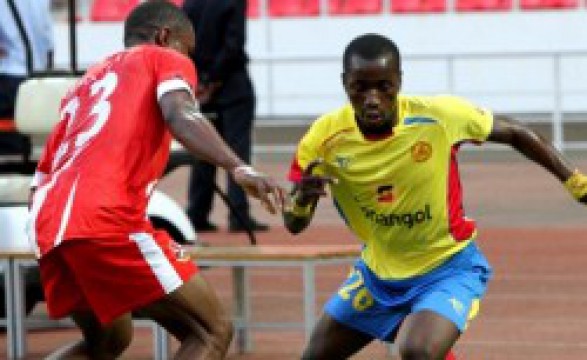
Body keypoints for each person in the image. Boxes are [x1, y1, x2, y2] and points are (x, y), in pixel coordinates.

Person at [283, 33, 587, 359]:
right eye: (361, 87)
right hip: (377, 276)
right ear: (345, 84)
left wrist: (577, 183)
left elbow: (515, 132)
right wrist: (302, 199)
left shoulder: (438, 117)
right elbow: (293, 224)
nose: (372, 99)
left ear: (399, 81)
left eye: (384, 86)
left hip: (448, 267)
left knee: (418, 350)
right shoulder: (323, 138)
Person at [28, 2, 284, 358]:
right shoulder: (164, 58)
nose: (189, 61)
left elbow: (43, 173)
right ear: (165, 37)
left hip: (47, 223)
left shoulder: (85, 83)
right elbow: (180, 112)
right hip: (104, 219)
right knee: (211, 330)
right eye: (188, 50)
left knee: (107, 341)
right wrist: (238, 166)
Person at [182, 0, 269, 233]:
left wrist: (201, 81)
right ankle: (238, 215)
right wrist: (214, 79)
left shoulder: (190, 4)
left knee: (203, 151)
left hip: (200, 88)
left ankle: (197, 213)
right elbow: (233, 46)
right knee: (237, 151)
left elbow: (184, 45)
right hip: (232, 86)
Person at [0, 0, 53, 322]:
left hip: (16, 72)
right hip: (24, 71)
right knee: (21, 157)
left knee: (22, 157)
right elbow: (45, 37)